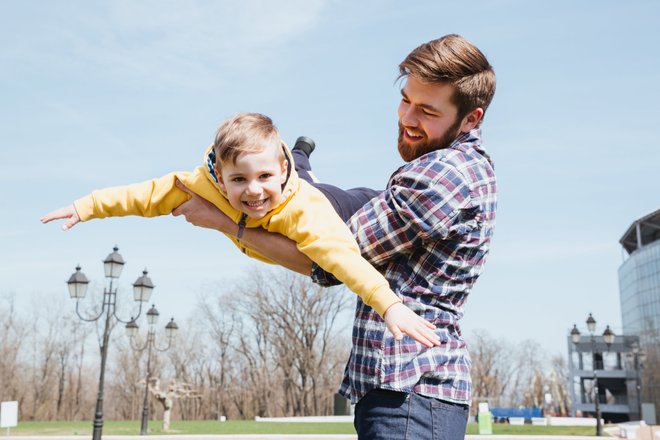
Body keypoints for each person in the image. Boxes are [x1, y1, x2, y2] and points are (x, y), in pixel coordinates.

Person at [172, 34, 497, 439]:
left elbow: (326, 259)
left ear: (472, 118)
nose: (408, 118)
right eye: (406, 100)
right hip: (413, 394)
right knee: (329, 197)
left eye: (427, 111)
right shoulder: (457, 168)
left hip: (410, 392)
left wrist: (226, 221)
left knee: (322, 199)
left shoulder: (441, 175)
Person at [41, 112, 440, 348]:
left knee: (341, 194)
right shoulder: (200, 182)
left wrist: (389, 305)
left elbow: (343, 261)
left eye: (264, 175)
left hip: (340, 204)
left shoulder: (307, 212)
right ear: (218, 174)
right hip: (287, 177)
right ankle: (300, 153)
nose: (252, 192)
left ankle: (300, 156)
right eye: (238, 180)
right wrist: (85, 206)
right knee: (293, 174)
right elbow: (142, 195)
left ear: (279, 170)